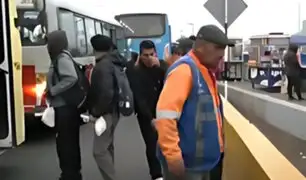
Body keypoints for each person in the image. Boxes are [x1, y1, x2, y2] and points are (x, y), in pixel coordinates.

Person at [155, 25, 234, 180]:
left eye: (223, 48)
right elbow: (166, 116)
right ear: (200, 47)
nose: (222, 54)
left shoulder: (204, 71)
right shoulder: (184, 71)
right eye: (218, 47)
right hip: (188, 165)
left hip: (204, 163)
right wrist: (173, 156)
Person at [126, 40, 167, 180]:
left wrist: (160, 66)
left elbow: (171, 79)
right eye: (145, 55)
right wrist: (150, 119)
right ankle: (156, 174)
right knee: (151, 143)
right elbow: (138, 97)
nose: (148, 58)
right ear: (140, 55)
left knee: (167, 142)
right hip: (145, 113)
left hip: (163, 110)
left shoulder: (161, 65)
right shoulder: (134, 69)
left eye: (151, 54)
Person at [88, 34, 126, 180]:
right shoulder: (113, 62)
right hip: (114, 111)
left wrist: (96, 112)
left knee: (99, 151)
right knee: (107, 146)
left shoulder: (102, 66)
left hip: (105, 113)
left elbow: (105, 92)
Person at [46, 30, 82, 180]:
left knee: (65, 143)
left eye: (49, 42)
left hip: (65, 108)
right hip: (65, 107)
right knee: (69, 142)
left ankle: (69, 174)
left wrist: (53, 90)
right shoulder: (61, 57)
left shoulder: (61, 58)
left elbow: (71, 78)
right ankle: (72, 173)